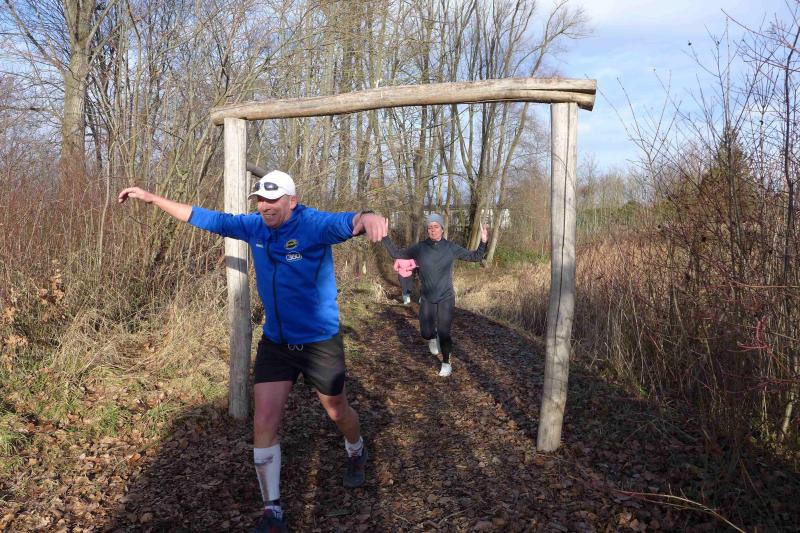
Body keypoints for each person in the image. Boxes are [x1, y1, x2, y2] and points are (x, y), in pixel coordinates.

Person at [117, 170, 387, 533]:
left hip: (319, 342)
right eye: (260, 200)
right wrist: (153, 199)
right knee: (263, 422)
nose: (265, 207)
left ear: (292, 201)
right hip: (276, 343)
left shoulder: (313, 225)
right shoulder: (255, 227)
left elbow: (349, 222)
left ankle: (355, 449)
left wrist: (368, 217)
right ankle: (272, 511)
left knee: (337, 409)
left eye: (273, 200)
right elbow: (207, 218)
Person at [382, 213, 487, 377]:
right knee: (425, 333)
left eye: (436, 226)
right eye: (430, 227)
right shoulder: (420, 248)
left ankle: (446, 362)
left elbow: (476, 256)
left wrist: (484, 241)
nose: (432, 230)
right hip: (427, 297)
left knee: (444, 332)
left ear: (442, 229)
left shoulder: (451, 248)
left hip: (446, 297)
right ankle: (432, 337)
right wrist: (384, 236)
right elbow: (396, 253)